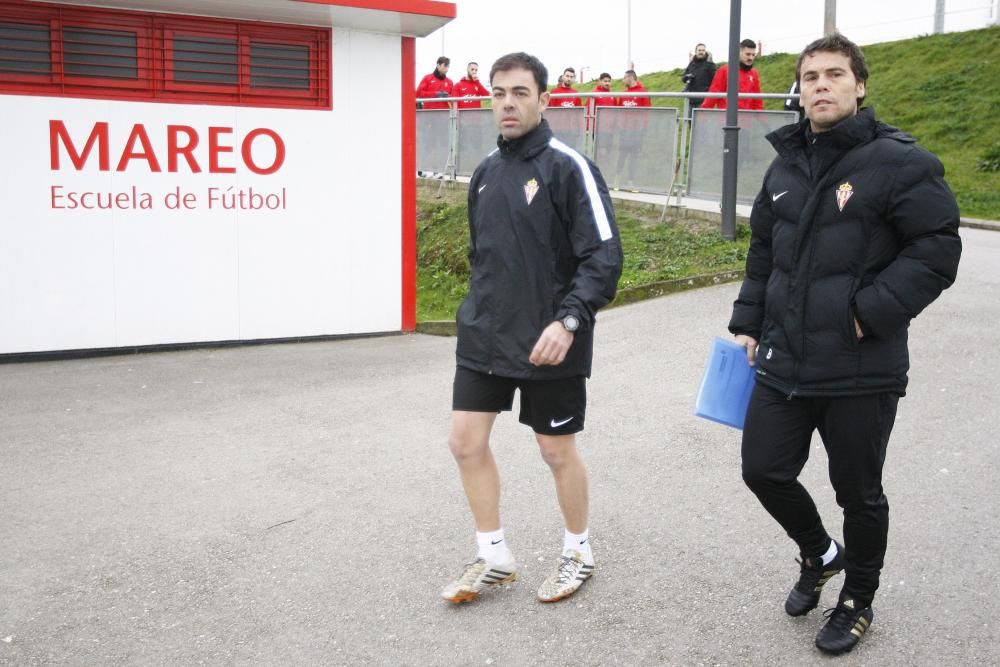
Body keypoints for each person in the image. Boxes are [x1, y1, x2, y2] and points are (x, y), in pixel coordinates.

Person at [728, 32, 961, 655]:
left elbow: (937, 247)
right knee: (763, 470)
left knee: (859, 493)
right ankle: (818, 551)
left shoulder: (902, 162)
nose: (821, 85)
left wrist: (867, 313)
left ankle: (858, 596)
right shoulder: (784, 164)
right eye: (810, 77)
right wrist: (748, 321)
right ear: (799, 91)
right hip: (783, 358)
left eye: (835, 74)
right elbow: (762, 253)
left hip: (861, 366)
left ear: (860, 85)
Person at [440, 51, 622, 606]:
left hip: (550, 340)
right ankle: (493, 556)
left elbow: (604, 256)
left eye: (520, 92)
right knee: (464, 442)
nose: (507, 103)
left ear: (544, 99)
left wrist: (569, 321)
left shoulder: (569, 166)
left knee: (555, 452)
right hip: (486, 336)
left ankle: (578, 551)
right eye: (498, 93)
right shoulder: (487, 173)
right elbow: (484, 256)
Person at [614, 70, 651, 190]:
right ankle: (617, 179)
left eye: (624, 78)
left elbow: (647, 112)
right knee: (622, 155)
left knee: (633, 157)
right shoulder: (624, 93)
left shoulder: (643, 92)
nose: (623, 80)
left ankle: (631, 181)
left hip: (637, 131)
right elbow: (619, 111)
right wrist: (620, 126)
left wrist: (643, 129)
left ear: (630, 78)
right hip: (624, 131)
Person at [702, 38, 763, 110]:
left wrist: (760, 117)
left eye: (753, 55)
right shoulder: (724, 70)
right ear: (739, 52)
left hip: (747, 118)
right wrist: (703, 115)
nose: (751, 58)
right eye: (748, 54)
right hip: (727, 118)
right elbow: (713, 94)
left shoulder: (754, 73)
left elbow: (757, 99)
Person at [681, 43, 717, 109]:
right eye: (699, 50)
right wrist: (686, 77)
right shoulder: (691, 64)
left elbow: (716, 81)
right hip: (690, 100)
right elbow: (683, 78)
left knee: (701, 119)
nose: (701, 52)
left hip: (703, 100)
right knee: (689, 119)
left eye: (703, 50)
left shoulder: (710, 65)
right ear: (696, 51)